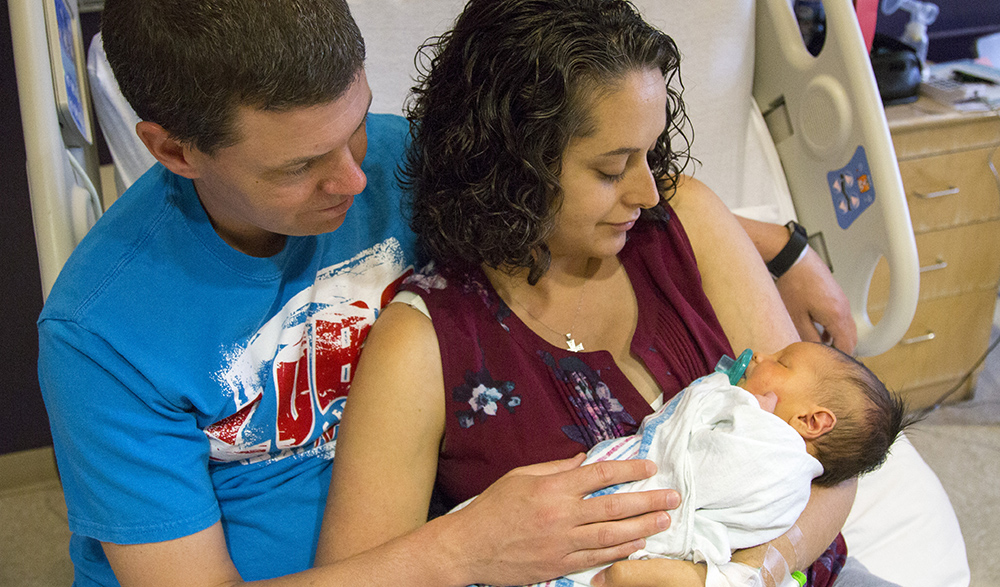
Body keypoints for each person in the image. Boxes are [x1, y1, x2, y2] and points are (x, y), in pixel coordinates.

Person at [36, 2, 686, 586]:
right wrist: (465, 548)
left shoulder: (397, 156)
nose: (353, 181)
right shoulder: (101, 333)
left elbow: (578, 204)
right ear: (175, 150)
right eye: (300, 166)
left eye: (354, 126)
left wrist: (783, 246)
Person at [321, 1, 858, 586]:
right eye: (611, 169)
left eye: (650, 154)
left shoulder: (688, 222)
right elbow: (360, 575)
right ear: (513, 164)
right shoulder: (425, 345)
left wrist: (752, 573)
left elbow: (832, 448)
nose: (648, 191)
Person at [479, 341, 909, 587]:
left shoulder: (773, 451)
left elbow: (688, 462)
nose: (758, 356)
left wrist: (727, 394)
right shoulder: (770, 443)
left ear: (812, 422)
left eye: (781, 362)